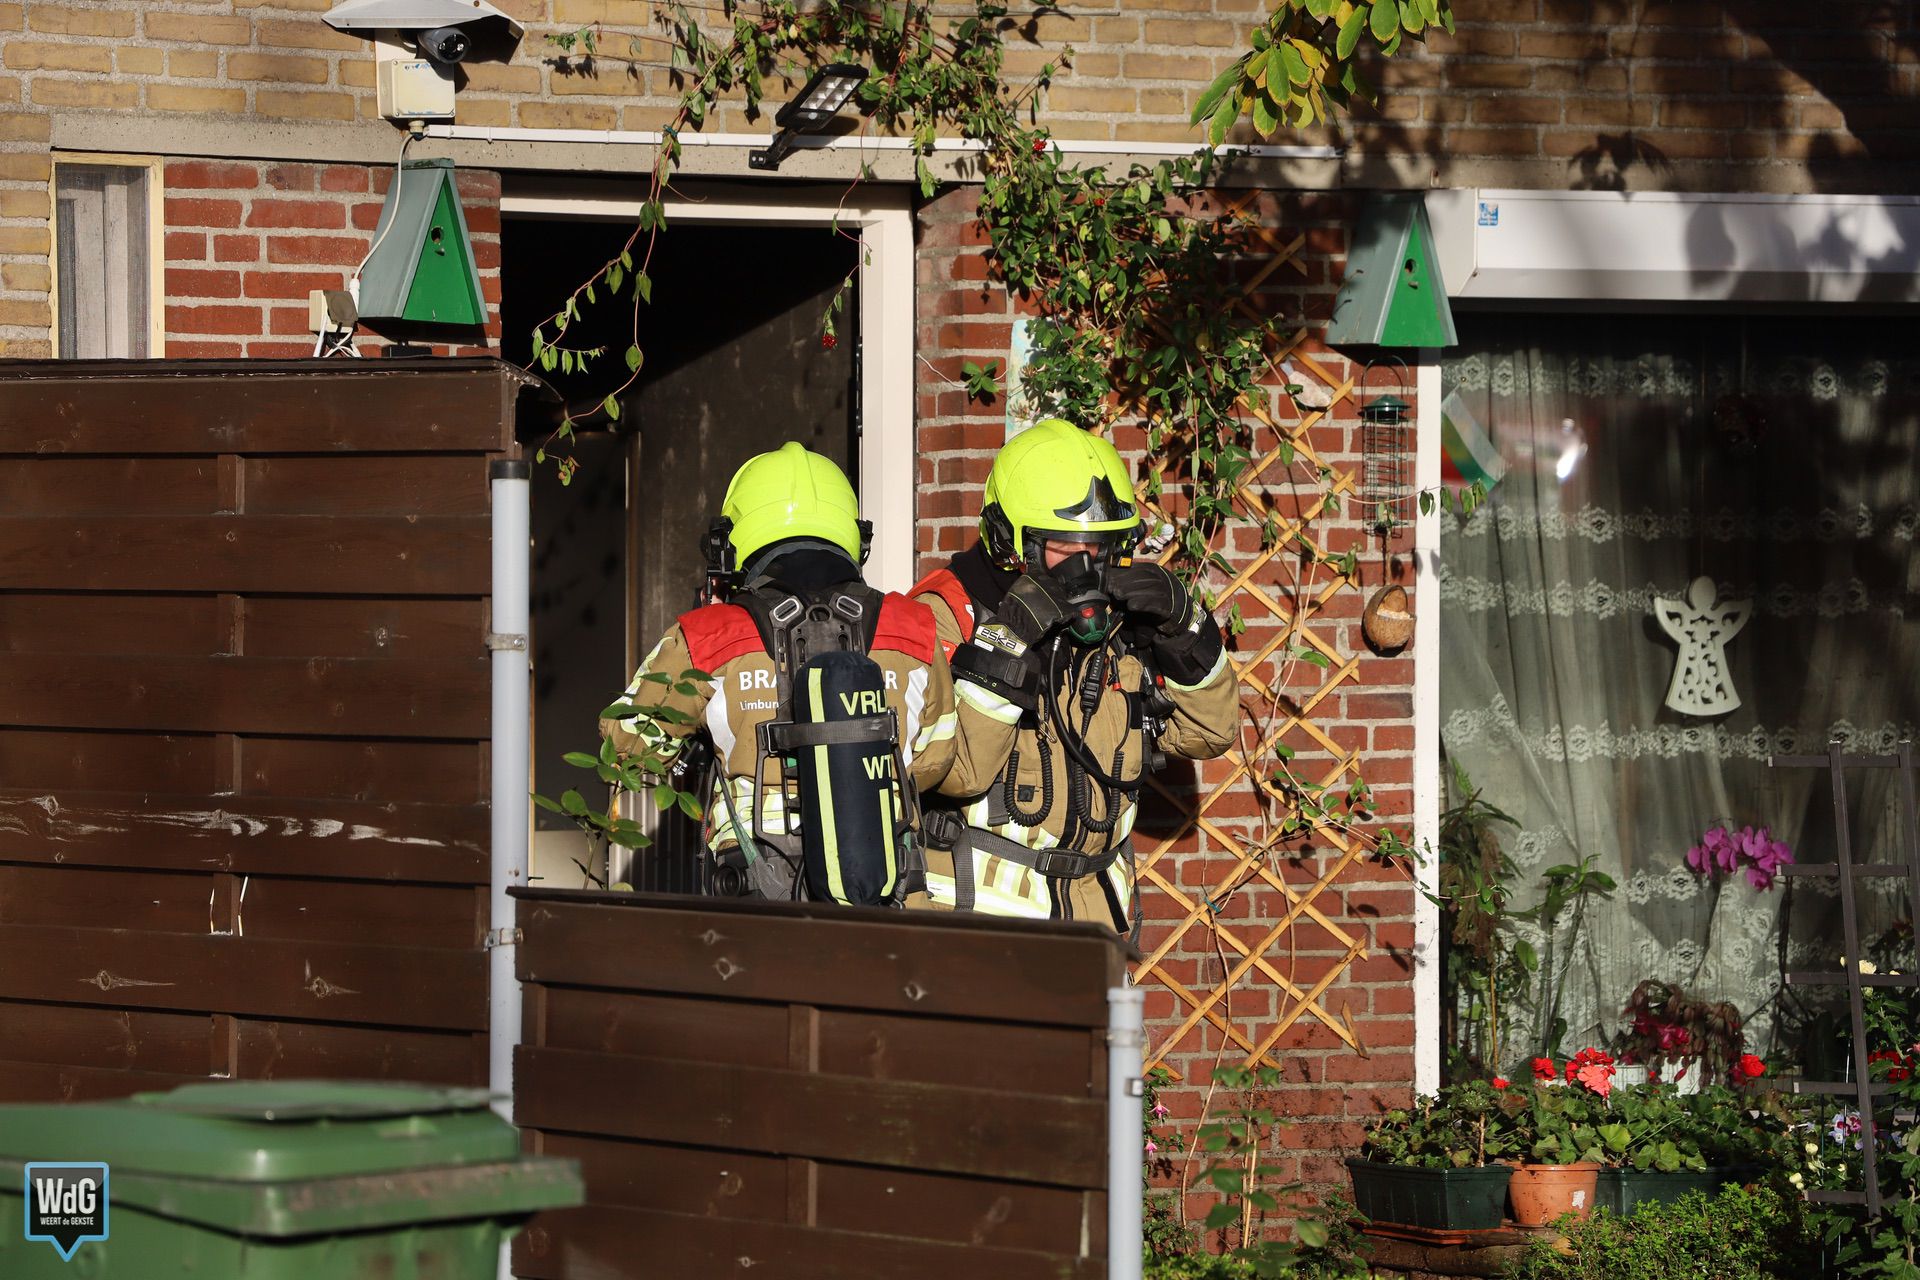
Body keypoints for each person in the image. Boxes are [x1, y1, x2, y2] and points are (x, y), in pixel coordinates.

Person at [907, 418, 1239, 932]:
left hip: (1097, 924)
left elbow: (1210, 733)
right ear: (1009, 540)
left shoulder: (1120, 622)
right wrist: (1007, 642)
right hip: (978, 927)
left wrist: (1184, 628)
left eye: (1101, 547)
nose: (1087, 566)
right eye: (1066, 546)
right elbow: (952, 773)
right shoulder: (944, 615)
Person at [601, 442, 956, 905]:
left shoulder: (709, 634)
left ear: (730, 543)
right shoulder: (914, 627)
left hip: (759, 900)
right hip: (889, 895)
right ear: (855, 537)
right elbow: (935, 760)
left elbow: (625, 751)